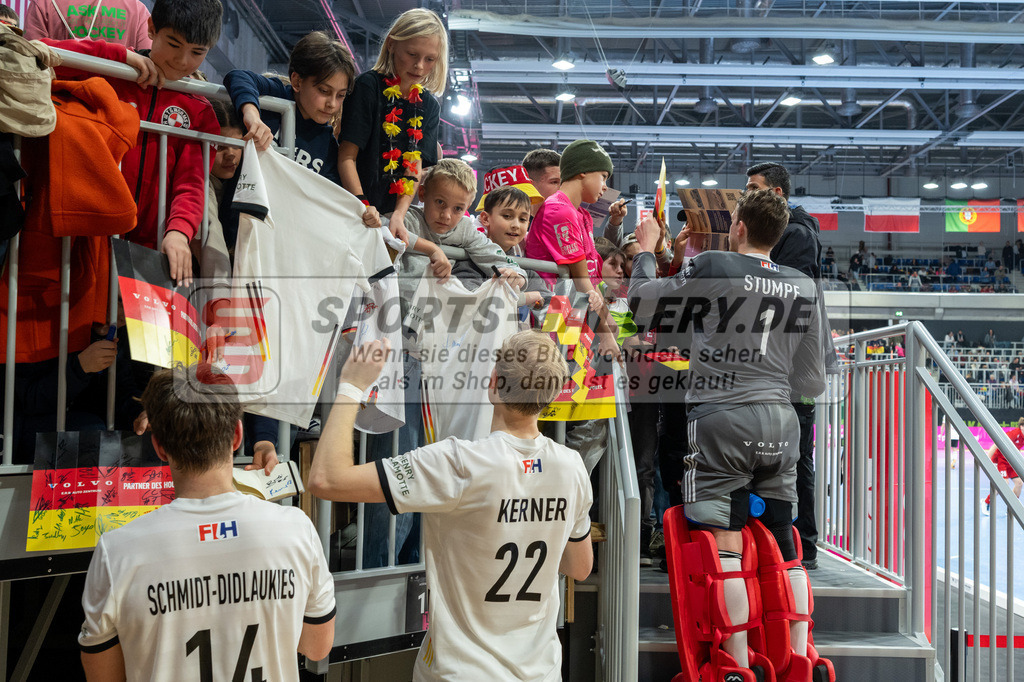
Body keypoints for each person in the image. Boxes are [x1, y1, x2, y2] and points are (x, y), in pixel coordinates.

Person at [307, 333, 593, 680]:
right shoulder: (571, 465)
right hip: (540, 671)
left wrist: (351, 386)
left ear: (494, 383)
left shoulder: (459, 461)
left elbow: (326, 479)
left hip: (462, 671)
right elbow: (579, 567)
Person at [628, 188, 826, 673]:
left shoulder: (715, 265)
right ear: (777, 236)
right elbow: (813, 380)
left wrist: (644, 254)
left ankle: (736, 664)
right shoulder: (803, 283)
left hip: (721, 419)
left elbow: (645, 306)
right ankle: (802, 660)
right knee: (785, 544)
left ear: (738, 226)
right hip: (781, 423)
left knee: (724, 543)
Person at [78, 365, 336, 680]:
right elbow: (317, 647)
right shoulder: (297, 529)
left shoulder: (116, 550)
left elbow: (105, 676)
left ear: (159, 446)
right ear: (237, 436)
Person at [360, 159, 526, 569]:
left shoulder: (463, 229)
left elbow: (493, 255)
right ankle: (380, 565)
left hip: (429, 360)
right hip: (391, 353)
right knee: (396, 464)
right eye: (439, 203)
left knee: (428, 463)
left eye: (457, 208)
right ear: (421, 195)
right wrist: (433, 248)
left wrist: (513, 272)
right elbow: (384, 231)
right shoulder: (409, 218)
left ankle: (415, 561)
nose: (447, 216)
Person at [43, 0, 225, 285]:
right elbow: (41, 52)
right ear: (151, 28)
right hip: (85, 237)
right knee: (81, 325)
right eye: (174, 44)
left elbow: (191, 184)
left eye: (197, 52)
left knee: (139, 329)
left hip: (151, 248)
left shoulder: (199, 111)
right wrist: (116, 56)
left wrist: (179, 232)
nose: (182, 61)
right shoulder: (112, 70)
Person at [744, 161, 834, 569]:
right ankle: (790, 545)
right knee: (785, 457)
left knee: (796, 458)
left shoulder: (797, 234)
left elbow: (786, 295)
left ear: (776, 194)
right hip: (783, 366)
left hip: (795, 368)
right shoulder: (796, 231)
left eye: (753, 187)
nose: (745, 193)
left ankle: (804, 546)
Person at [338, 8, 447, 242]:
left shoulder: (429, 105)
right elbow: (347, 156)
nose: (419, 66)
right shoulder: (368, 86)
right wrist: (362, 204)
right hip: (350, 205)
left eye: (430, 59)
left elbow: (414, 167)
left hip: (391, 216)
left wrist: (399, 214)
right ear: (391, 44)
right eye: (411, 54)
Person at [522, 139, 621, 358]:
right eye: (603, 176)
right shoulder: (559, 210)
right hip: (553, 318)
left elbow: (592, 275)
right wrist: (606, 336)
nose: (605, 186)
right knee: (556, 385)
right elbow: (581, 279)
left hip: (574, 315)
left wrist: (605, 318)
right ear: (583, 172)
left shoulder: (581, 215)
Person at [225, 33, 352, 182]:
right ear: (297, 81)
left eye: (340, 95)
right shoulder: (277, 94)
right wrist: (252, 114)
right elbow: (238, 76)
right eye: (324, 91)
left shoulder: (328, 147)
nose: (332, 104)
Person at [25, 0, 152, 47]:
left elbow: (29, 56)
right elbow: (147, 63)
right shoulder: (138, 10)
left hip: (55, 100)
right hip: (118, 101)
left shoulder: (43, 3)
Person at [984, 417, 1024, 514]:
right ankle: (986, 502)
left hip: (1011, 461)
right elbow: (996, 444)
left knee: (1019, 483)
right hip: (1000, 460)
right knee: (1004, 484)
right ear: (1022, 427)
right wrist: (986, 460)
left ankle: (1012, 507)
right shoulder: (1014, 434)